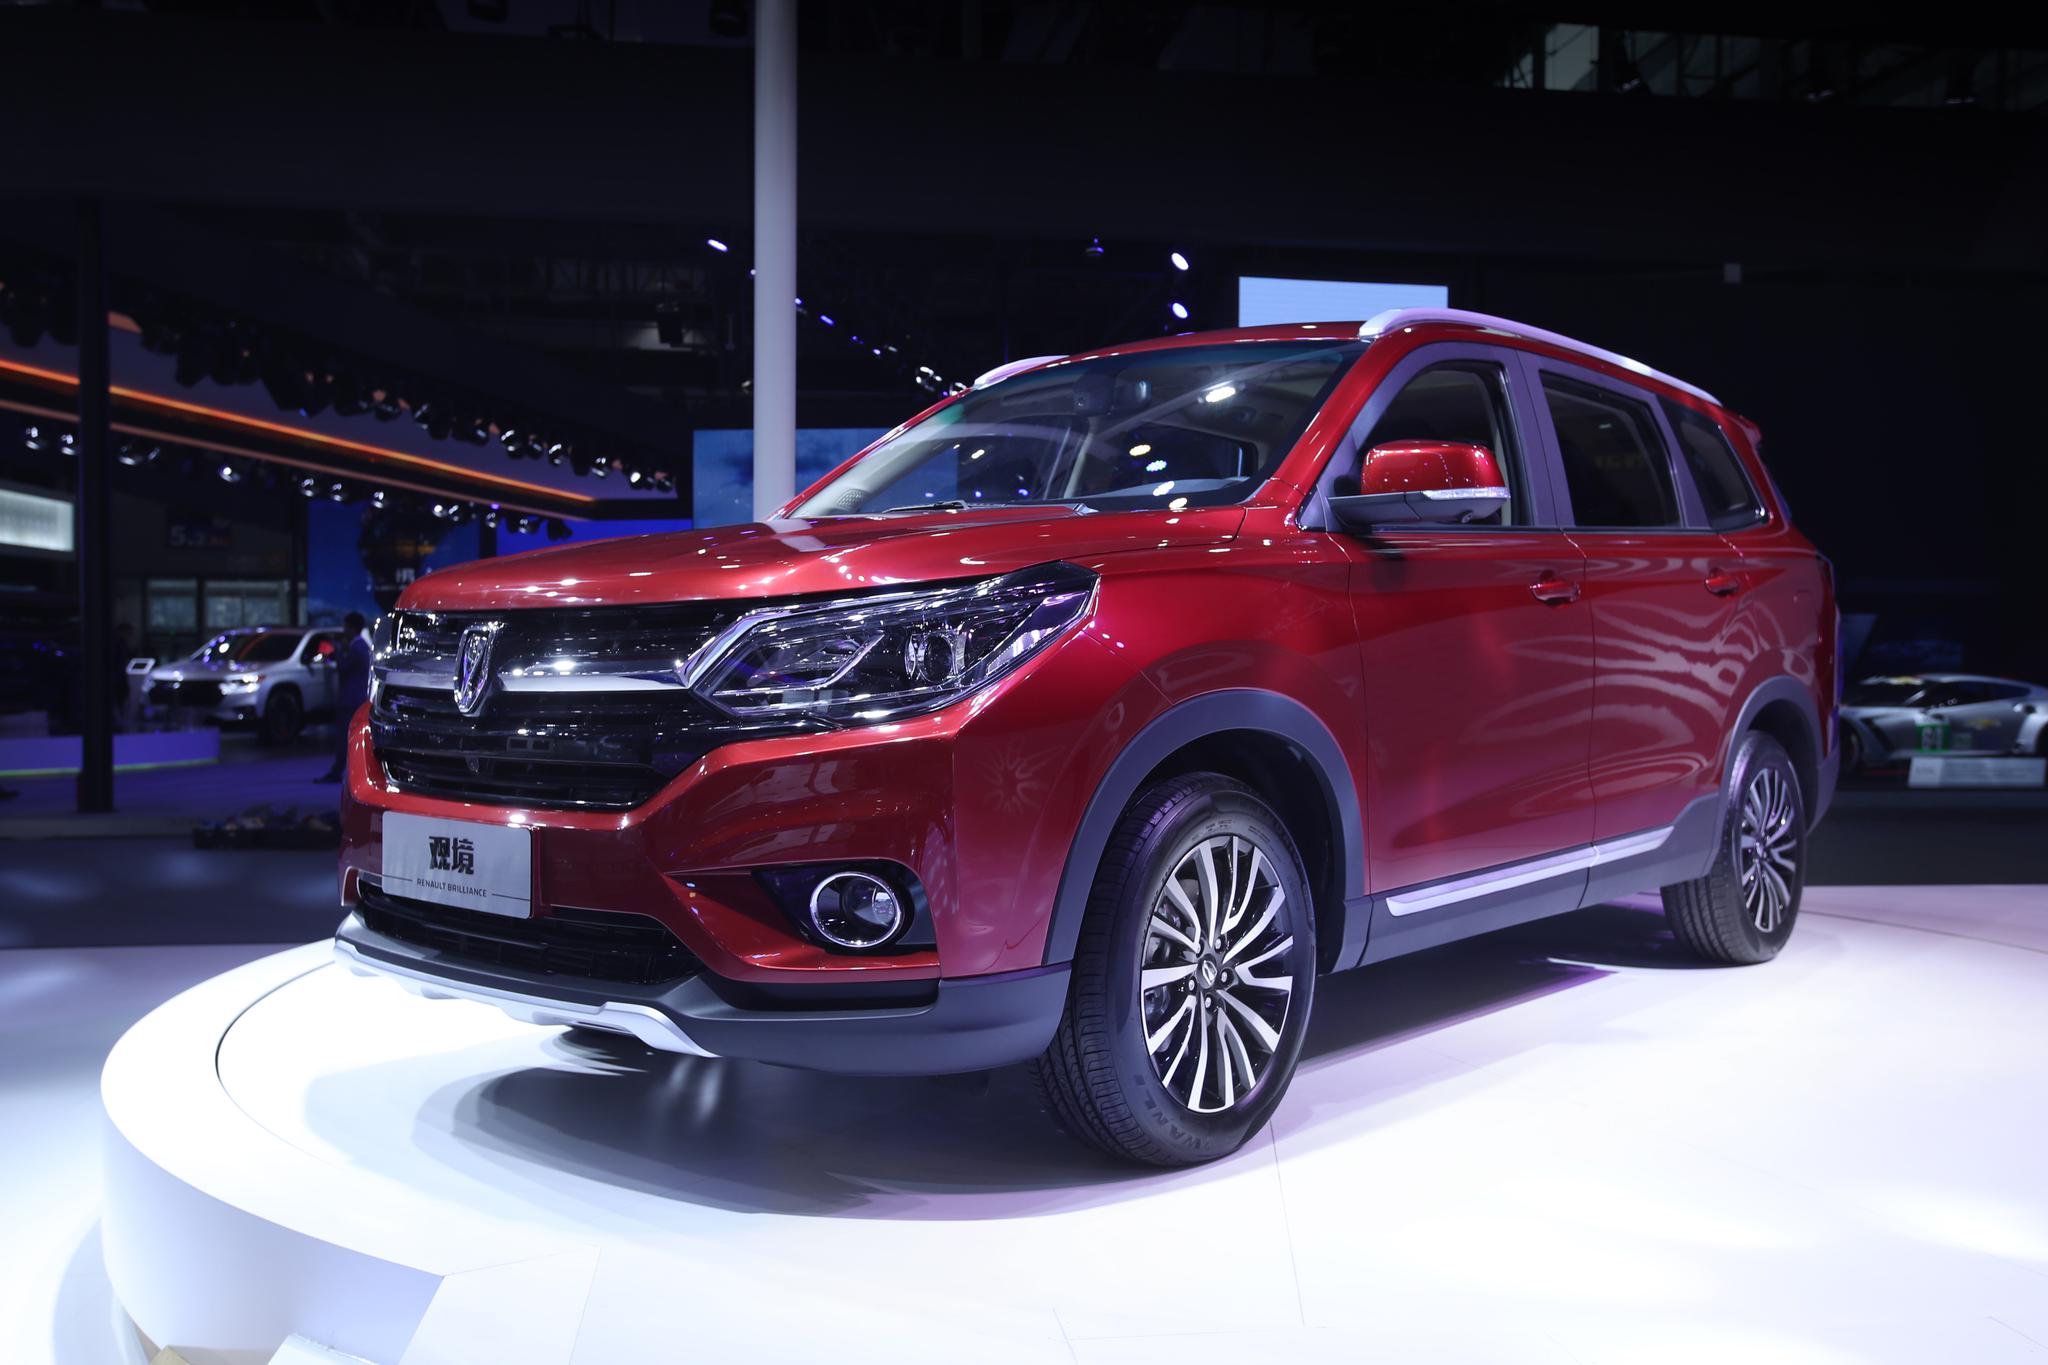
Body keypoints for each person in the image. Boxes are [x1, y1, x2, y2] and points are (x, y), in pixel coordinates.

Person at [318, 612, 372, 783]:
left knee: (344, 738)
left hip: (350, 699)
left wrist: (338, 650)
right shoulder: (362, 646)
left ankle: (338, 772)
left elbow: (343, 668)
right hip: (356, 698)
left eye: (346, 626)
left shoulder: (357, 648)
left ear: (352, 628)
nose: (344, 630)